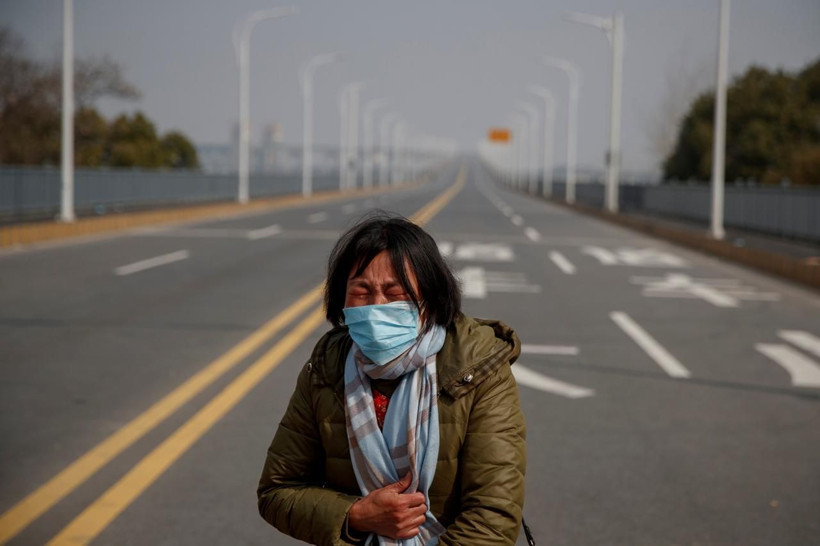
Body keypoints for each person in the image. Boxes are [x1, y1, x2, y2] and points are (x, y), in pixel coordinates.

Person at [257, 214, 526, 545]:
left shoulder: (480, 368)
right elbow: (277, 490)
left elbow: (494, 515)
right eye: (362, 291)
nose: (376, 305)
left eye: (393, 292)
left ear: (430, 297)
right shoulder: (326, 369)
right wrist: (355, 516)